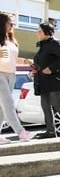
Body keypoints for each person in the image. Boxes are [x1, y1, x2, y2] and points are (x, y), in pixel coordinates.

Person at [32, 23, 60, 139]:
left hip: (54, 80)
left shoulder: (54, 43)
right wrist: (34, 69)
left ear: (47, 32)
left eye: (40, 31)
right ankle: (50, 132)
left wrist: (51, 68)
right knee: (45, 106)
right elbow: (41, 63)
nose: (37, 33)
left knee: (56, 103)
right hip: (42, 81)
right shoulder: (42, 46)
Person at [0, 13, 36, 144]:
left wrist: (26, 61)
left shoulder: (10, 41)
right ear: (2, 23)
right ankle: (21, 132)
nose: (12, 25)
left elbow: (12, 59)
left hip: (11, 75)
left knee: (2, 107)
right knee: (9, 104)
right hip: (0, 75)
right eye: (9, 22)